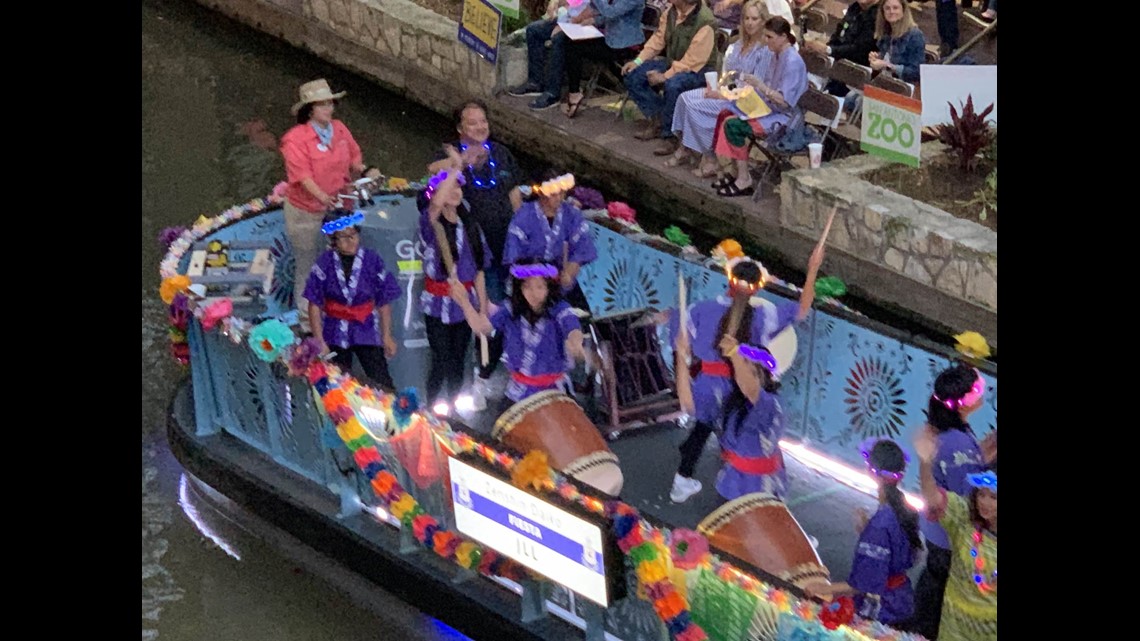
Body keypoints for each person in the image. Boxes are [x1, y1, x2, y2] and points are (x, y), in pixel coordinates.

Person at [666, 243, 825, 503]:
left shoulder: (701, 309)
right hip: (739, 391)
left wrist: (682, 348)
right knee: (742, 441)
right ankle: (745, 493)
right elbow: (802, 308)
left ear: (728, 279)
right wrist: (812, 269)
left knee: (702, 427)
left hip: (705, 388)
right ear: (758, 287)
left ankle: (683, 480)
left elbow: (679, 336)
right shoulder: (766, 316)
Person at [427, 99, 524, 398]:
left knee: (511, 312)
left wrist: (522, 234)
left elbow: (515, 194)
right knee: (485, 314)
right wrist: (459, 163)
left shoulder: (502, 153)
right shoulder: (451, 155)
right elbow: (432, 171)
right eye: (472, 123)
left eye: (483, 121)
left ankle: (499, 368)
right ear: (459, 128)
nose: (480, 127)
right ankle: (479, 377)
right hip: (476, 254)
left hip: (509, 249)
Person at [280, 78, 382, 327]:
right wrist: (323, 197)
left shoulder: (340, 129)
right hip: (307, 213)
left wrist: (365, 170)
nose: (329, 109)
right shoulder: (295, 139)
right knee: (309, 263)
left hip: (341, 208)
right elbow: (302, 175)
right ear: (310, 110)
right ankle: (307, 319)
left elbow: (354, 157)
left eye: (330, 103)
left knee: (341, 256)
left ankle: (339, 309)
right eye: (322, 104)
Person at [904, 363, 986, 639]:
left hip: (937, 535)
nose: (981, 391)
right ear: (963, 404)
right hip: (949, 538)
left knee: (933, 582)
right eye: (977, 390)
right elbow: (968, 497)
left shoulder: (949, 433)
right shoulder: (959, 446)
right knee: (940, 597)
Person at [449, 258, 589, 417]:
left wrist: (575, 342)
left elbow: (572, 327)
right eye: (527, 286)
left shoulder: (560, 308)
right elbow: (482, 328)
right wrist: (464, 302)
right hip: (517, 393)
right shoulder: (510, 308)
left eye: (540, 286)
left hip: (554, 392)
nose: (534, 293)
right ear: (519, 288)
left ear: (549, 287)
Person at [807, 439, 921, 626]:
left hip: (883, 609)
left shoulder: (879, 526)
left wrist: (821, 588)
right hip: (902, 598)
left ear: (871, 470)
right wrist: (866, 527)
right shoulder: (905, 509)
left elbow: (862, 584)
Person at [675, 329, 789, 501]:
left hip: (762, 489)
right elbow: (687, 402)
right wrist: (681, 356)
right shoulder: (730, 396)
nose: (743, 374)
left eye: (752, 371)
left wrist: (735, 353)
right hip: (732, 482)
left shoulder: (771, 404)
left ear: (765, 376)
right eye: (741, 369)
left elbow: (750, 387)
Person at [668, 0, 771, 178]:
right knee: (684, 99)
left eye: (755, 19)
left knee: (696, 107)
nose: (750, 23)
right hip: (728, 90)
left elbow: (755, 88)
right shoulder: (737, 45)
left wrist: (723, 94)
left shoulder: (764, 50)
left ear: (763, 21)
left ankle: (710, 158)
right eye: (746, 18)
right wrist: (719, 88)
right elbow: (727, 74)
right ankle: (686, 146)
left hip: (746, 101)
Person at [708, 15, 807, 198]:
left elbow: (785, 101)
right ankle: (737, 171)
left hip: (784, 118)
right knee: (725, 113)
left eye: (770, 37)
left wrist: (761, 86)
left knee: (734, 125)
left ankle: (744, 179)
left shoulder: (792, 62)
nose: (766, 41)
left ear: (783, 37)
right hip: (768, 109)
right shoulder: (777, 55)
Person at [418, 169, 492, 411]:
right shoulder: (430, 225)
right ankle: (432, 408)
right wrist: (457, 164)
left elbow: (479, 271)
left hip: (465, 304)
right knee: (441, 359)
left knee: (458, 359)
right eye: (449, 188)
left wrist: (482, 307)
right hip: (438, 303)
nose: (456, 192)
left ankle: (451, 410)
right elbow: (434, 207)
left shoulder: (471, 227)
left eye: (458, 188)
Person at [914, 427, 997, 641]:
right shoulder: (963, 519)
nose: (984, 503)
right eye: (982, 494)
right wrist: (926, 462)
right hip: (952, 631)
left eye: (994, 498)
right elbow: (932, 497)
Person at [303, 210, 400, 391]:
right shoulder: (324, 262)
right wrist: (319, 340)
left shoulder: (372, 260)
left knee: (382, 382)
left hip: (366, 327)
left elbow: (383, 301)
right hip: (334, 329)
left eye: (353, 234)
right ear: (333, 241)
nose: (350, 241)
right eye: (343, 237)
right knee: (336, 381)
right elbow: (314, 304)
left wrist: (386, 336)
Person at [622, 0, 719, 157]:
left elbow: (692, 61)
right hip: (674, 62)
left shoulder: (705, 21)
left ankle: (670, 135)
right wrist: (638, 61)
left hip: (698, 71)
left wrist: (664, 76)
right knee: (633, 75)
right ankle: (658, 117)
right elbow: (658, 39)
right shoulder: (671, 12)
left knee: (673, 85)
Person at [503, 169, 597, 312]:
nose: (559, 198)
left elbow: (581, 249)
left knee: (582, 315)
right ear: (541, 193)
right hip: (530, 281)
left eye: (561, 193)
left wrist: (569, 274)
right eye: (554, 194)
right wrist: (542, 276)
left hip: (561, 282)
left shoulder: (571, 214)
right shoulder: (523, 217)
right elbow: (515, 259)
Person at [556, 0, 647, 118]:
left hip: (625, 45)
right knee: (570, 42)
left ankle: (574, 93)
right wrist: (594, 21)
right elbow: (614, 17)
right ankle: (573, 91)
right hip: (611, 39)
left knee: (574, 48)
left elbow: (611, 12)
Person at [506, 0, 592, 110]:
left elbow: (596, 10)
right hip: (570, 19)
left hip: (589, 26)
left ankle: (553, 93)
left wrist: (565, 26)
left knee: (558, 39)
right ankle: (535, 82)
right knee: (533, 30)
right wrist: (555, 2)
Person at [801, 0, 880, 97]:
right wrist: (823, 48)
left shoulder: (879, 16)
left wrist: (828, 49)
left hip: (855, 70)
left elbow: (860, 49)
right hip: (837, 59)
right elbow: (839, 32)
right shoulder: (855, 7)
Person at [870, 0, 925, 84]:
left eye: (895, 8)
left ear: (903, 11)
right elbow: (889, 57)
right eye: (887, 8)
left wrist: (887, 65)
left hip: (903, 86)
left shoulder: (915, 35)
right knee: (852, 96)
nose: (891, 11)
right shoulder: (886, 32)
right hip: (885, 81)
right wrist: (877, 57)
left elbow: (916, 72)